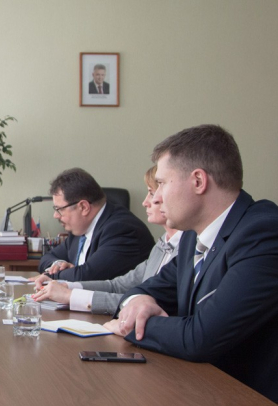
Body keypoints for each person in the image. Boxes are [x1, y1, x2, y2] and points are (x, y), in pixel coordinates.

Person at [108, 124, 278, 403]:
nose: (156, 197)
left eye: (162, 183)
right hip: (198, 387)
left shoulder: (263, 233)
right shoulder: (191, 238)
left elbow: (201, 338)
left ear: (198, 181)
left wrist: (131, 324)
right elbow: (146, 289)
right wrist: (138, 302)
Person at [32, 165, 182, 315]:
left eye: (152, 193)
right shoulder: (162, 245)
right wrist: (66, 284)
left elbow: (153, 304)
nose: (146, 202)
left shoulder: (122, 228)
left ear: (84, 207)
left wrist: (68, 293)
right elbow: (117, 285)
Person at [34, 168, 154, 284]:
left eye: (59, 209)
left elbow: (86, 277)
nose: (55, 215)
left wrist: (52, 276)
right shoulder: (80, 228)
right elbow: (47, 258)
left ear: (84, 207)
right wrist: (58, 264)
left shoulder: (121, 229)